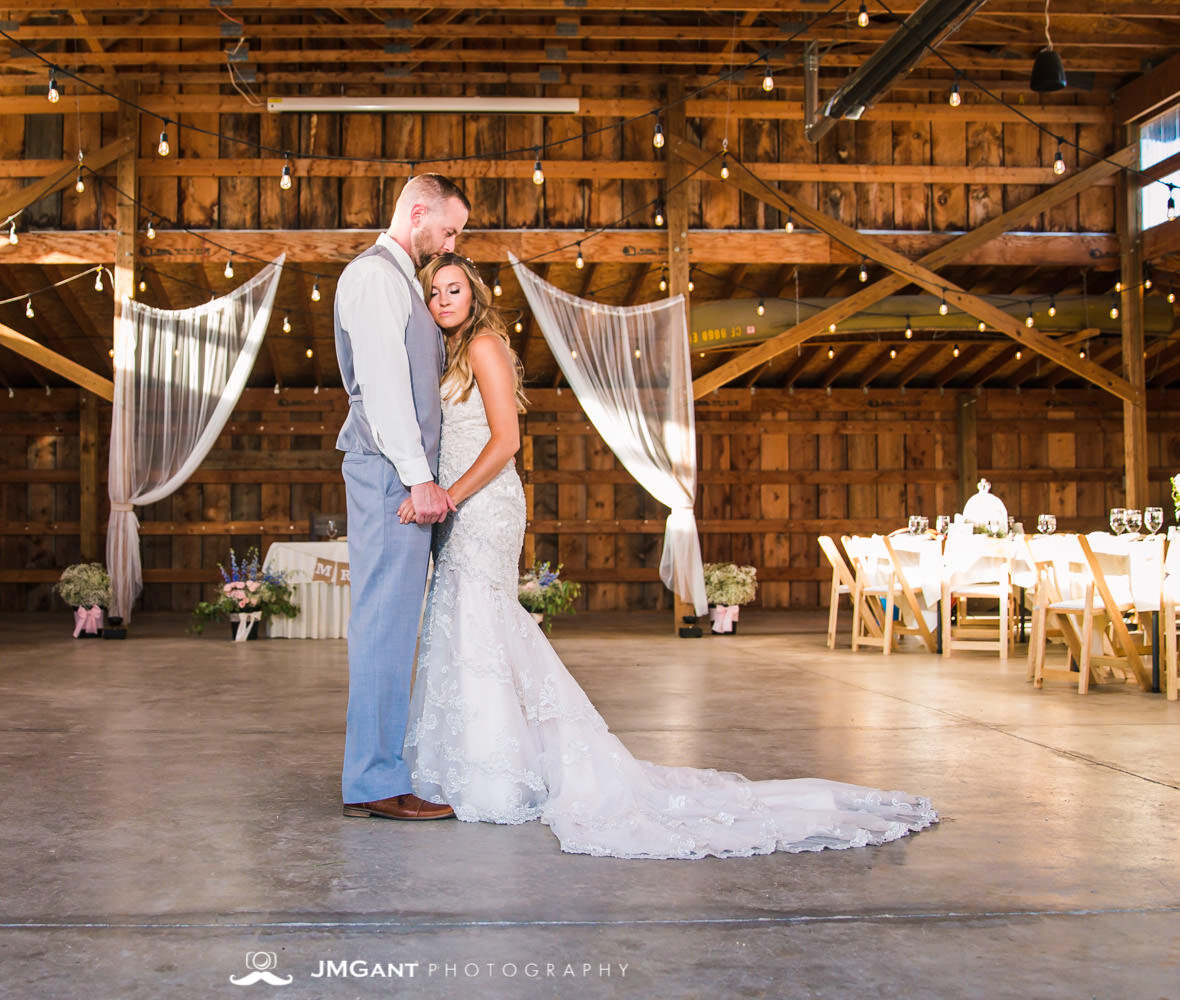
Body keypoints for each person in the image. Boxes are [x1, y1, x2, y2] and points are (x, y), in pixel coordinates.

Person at [401, 252, 939, 859]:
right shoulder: (443, 354)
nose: (444, 300)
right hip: (458, 506)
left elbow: (508, 440)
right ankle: (475, 763)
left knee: (482, 618)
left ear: (473, 293)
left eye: (454, 289)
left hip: (482, 502)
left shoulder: (486, 347)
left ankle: (498, 775)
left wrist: (450, 495)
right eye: (434, 292)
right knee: (466, 623)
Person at [333, 175, 470, 821]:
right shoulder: (374, 278)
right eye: (448, 229)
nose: (451, 243)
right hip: (390, 472)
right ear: (417, 213)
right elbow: (384, 387)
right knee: (384, 625)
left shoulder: (398, 281)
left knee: (393, 623)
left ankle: (380, 770)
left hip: (398, 469)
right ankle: (375, 782)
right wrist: (418, 477)